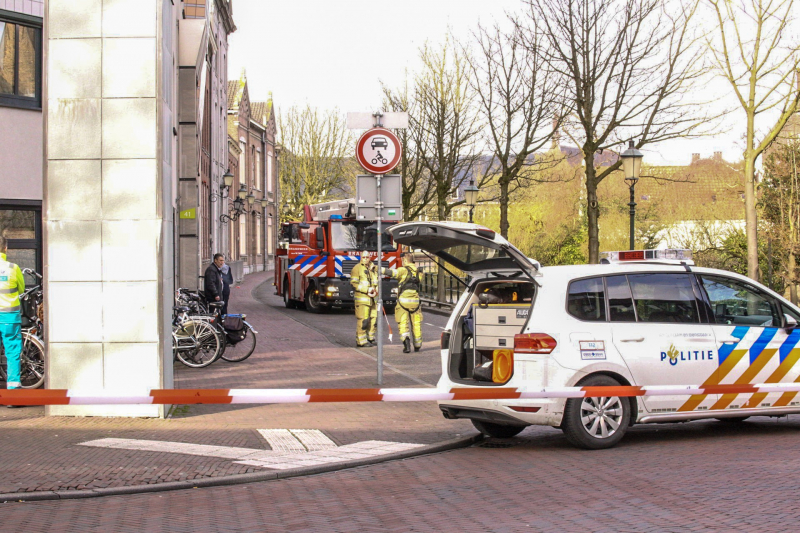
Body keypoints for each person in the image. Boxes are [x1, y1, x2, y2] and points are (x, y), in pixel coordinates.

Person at [0, 235, 25, 407]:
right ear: (5, 248)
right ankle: (13, 397)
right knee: (12, 354)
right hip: (9, 317)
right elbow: (22, 289)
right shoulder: (12, 268)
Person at [383, 251, 423, 353]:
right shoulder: (419, 271)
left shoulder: (403, 270)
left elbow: (391, 273)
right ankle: (417, 345)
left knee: (403, 323)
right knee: (416, 323)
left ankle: (407, 345)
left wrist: (378, 269)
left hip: (403, 302)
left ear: (405, 260)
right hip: (416, 303)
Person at [350, 250, 378, 347]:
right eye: (363, 257)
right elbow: (354, 284)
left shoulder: (373, 268)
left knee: (374, 320)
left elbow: (376, 282)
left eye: (367, 257)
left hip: (373, 299)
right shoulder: (356, 268)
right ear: (361, 258)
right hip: (362, 300)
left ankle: (370, 338)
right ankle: (361, 341)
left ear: (370, 257)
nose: (365, 259)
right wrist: (367, 290)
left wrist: (376, 291)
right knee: (363, 320)